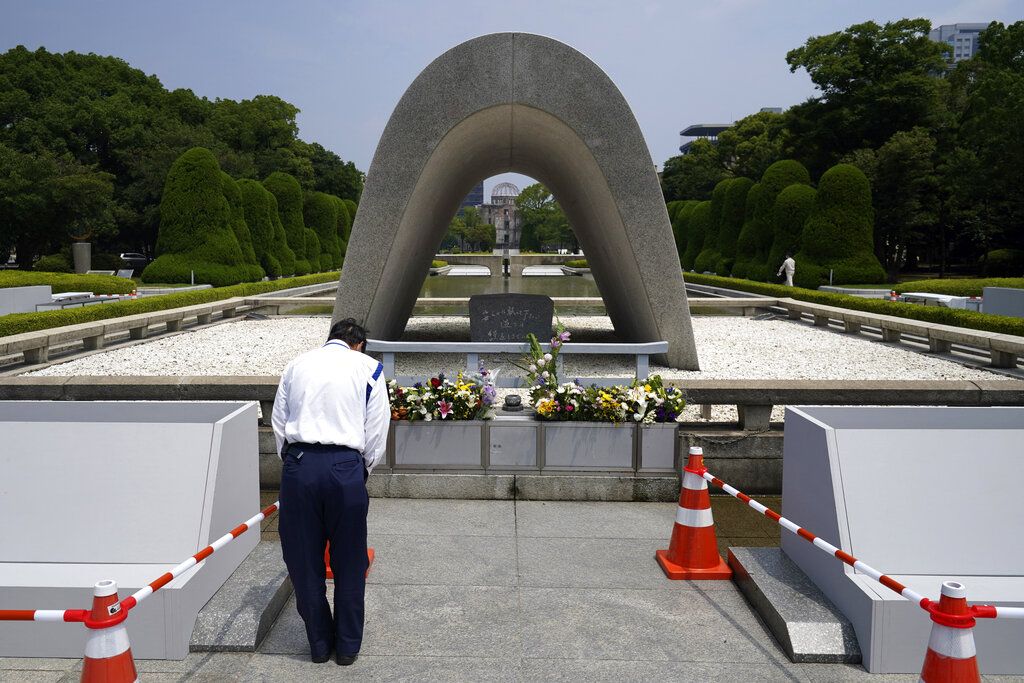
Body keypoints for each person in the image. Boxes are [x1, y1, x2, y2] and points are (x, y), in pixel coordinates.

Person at [271, 318, 390, 666]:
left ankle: (320, 645)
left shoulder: (297, 365)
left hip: (300, 465)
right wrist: (359, 470)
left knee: (303, 561)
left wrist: (294, 461)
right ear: (360, 344)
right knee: (349, 561)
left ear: (330, 339)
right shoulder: (369, 368)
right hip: (345, 466)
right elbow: (377, 429)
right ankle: (348, 647)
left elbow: (279, 421)